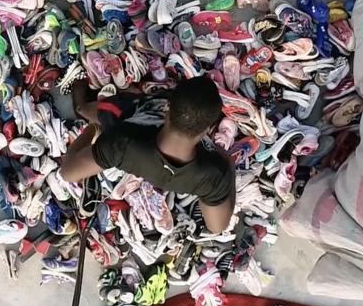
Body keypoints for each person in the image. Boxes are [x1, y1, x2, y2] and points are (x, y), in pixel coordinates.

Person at [59, 75, 236, 233]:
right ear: (209, 129)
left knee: (94, 110)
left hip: (131, 124)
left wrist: (91, 131)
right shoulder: (213, 176)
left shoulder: (122, 142)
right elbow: (217, 227)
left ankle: (82, 104)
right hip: (168, 174)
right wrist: (229, 167)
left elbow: (67, 173)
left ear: (168, 106)